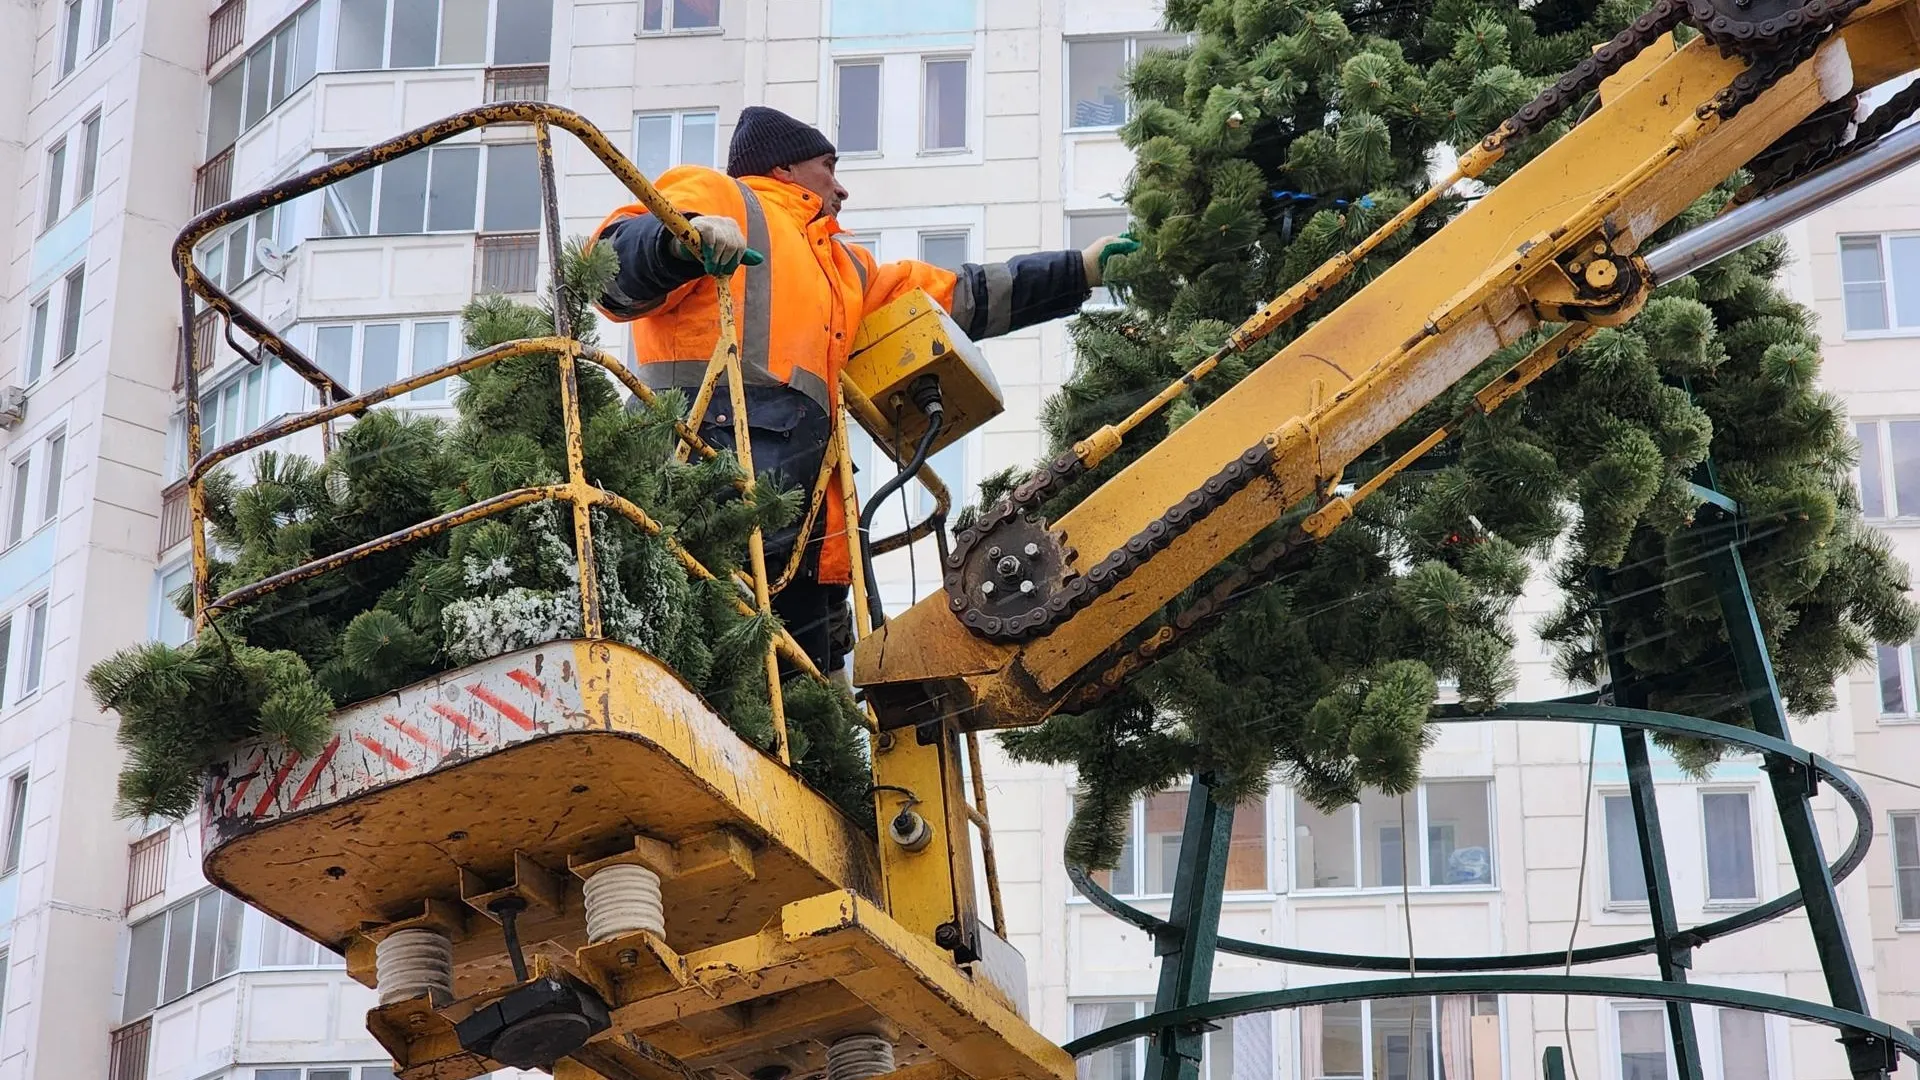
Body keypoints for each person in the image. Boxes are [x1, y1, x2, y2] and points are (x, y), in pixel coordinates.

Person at [592, 105, 1136, 673]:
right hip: (703, 486)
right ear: (785, 170)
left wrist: (1081, 269)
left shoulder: (845, 267)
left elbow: (957, 299)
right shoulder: (725, 199)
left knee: (809, 710)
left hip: (806, 526)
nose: (842, 187)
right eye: (829, 166)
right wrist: (676, 242)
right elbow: (610, 266)